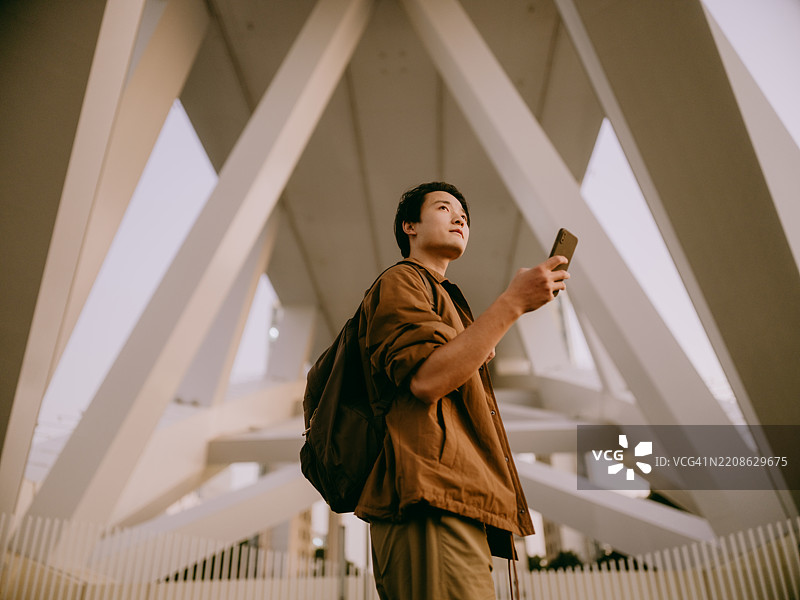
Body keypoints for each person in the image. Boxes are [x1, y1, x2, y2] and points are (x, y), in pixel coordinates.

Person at [354, 182, 570, 600]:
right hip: (430, 497)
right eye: (443, 208)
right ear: (409, 226)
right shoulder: (402, 281)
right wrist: (512, 303)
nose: (459, 219)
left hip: (451, 498)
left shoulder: (446, 301)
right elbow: (427, 380)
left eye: (465, 217)